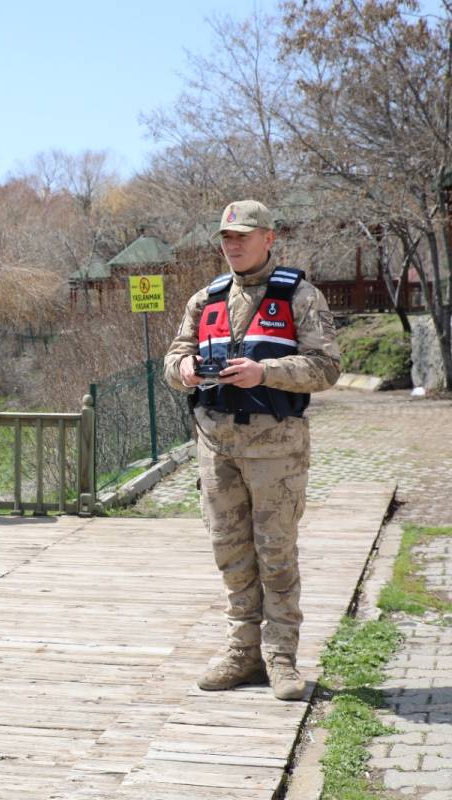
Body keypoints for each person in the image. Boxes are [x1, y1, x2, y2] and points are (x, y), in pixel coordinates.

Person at [163, 200, 340, 701]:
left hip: (275, 450)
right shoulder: (205, 299)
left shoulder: (300, 296)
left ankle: (279, 657)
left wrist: (267, 372)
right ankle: (241, 652)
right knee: (231, 553)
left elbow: (326, 367)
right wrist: (184, 371)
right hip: (216, 448)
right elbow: (173, 357)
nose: (233, 244)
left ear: (269, 238)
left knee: (276, 554)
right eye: (226, 237)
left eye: (243, 235)